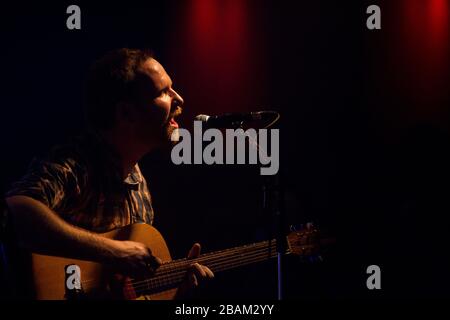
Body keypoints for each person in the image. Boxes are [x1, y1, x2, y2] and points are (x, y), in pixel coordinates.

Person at [2, 48, 214, 299]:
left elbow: (123, 290)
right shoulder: (77, 164)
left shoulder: (139, 185)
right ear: (126, 113)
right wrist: (113, 251)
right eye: (163, 92)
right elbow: (14, 212)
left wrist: (175, 289)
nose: (179, 99)